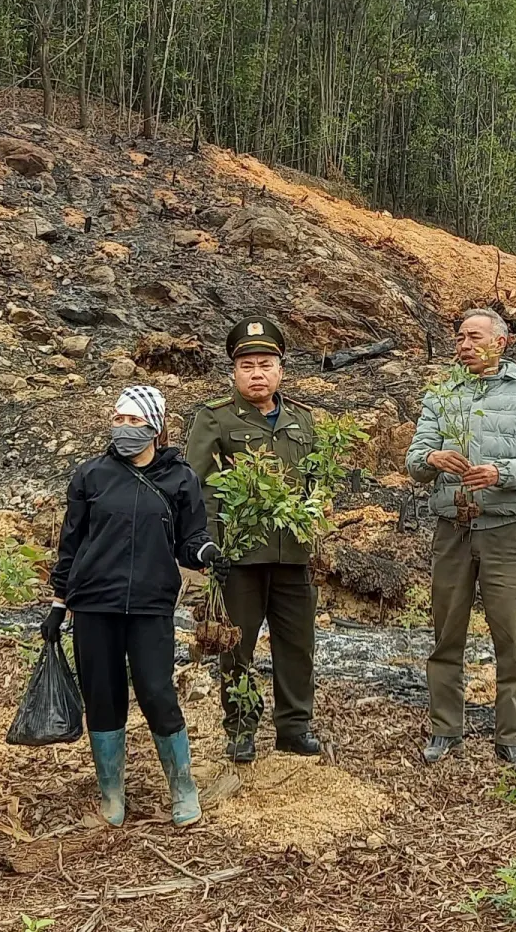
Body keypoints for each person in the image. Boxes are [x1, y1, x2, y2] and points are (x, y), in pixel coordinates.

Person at [43, 386, 219, 827]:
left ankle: (182, 786)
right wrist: (59, 603)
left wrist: (205, 553)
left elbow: (190, 539)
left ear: (156, 427)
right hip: (93, 604)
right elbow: (71, 544)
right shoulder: (91, 476)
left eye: (134, 421)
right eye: (118, 419)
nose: (124, 428)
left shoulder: (180, 479)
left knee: (157, 692)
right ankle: (112, 793)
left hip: (150, 605)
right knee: (102, 696)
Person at [405, 308, 516, 767]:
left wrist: (500, 472)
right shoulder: (441, 395)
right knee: (446, 634)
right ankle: (445, 730)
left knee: (510, 637)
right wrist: (432, 459)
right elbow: (414, 462)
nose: (464, 345)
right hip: (452, 530)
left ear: (500, 343)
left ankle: (511, 737)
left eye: (474, 337)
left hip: (505, 533)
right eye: (460, 338)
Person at [185, 317, 323, 763]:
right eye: (247, 366)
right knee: (237, 645)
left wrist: (317, 532)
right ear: (234, 372)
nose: (257, 374)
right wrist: (208, 544)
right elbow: (197, 488)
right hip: (238, 556)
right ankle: (241, 727)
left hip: (293, 553)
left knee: (297, 643)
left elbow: (316, 483)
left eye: (265, 365)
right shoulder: (215, 418)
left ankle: (294, 727)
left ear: (281, 370)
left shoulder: (302, 420)